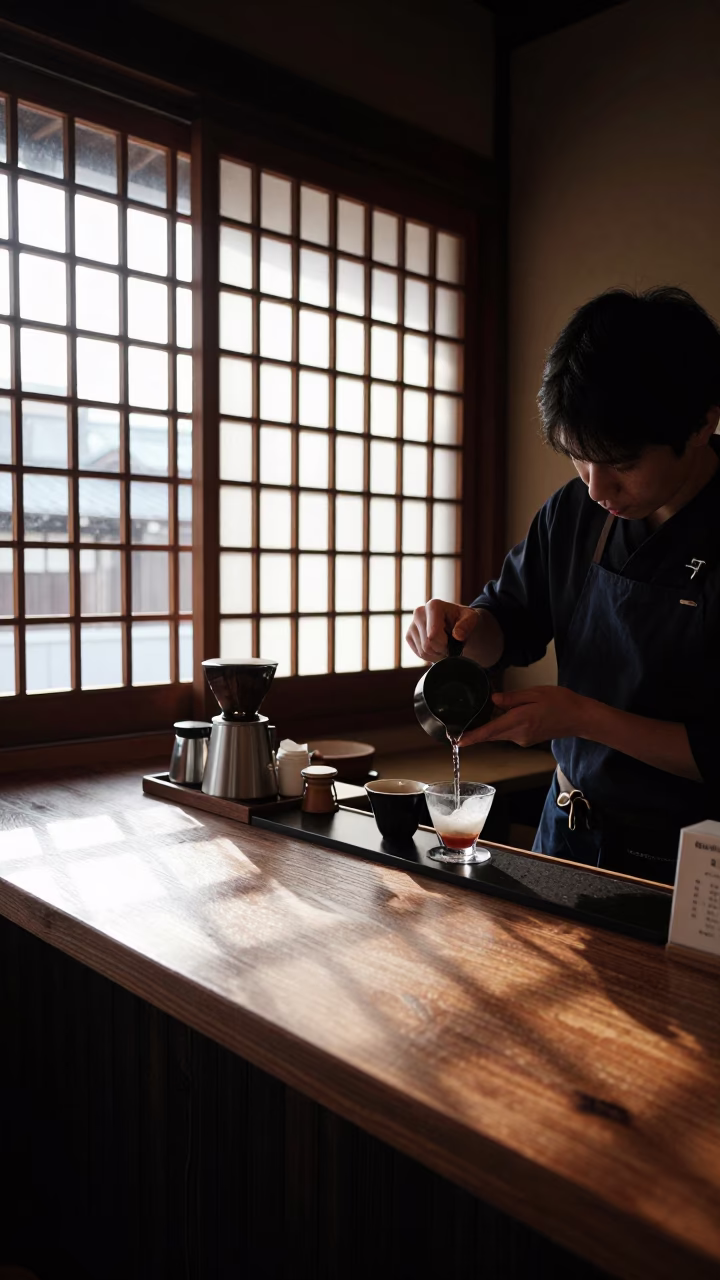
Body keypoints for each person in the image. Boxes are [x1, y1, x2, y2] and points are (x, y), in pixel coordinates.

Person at [406, 287, 720, 884]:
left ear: (703, 423)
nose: (598, 487)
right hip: (570, 828)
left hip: (691, 858)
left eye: (622, 464)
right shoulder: (576, 511)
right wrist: (462, 629)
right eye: (579, 456)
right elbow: (509, 624)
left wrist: (582, 717)